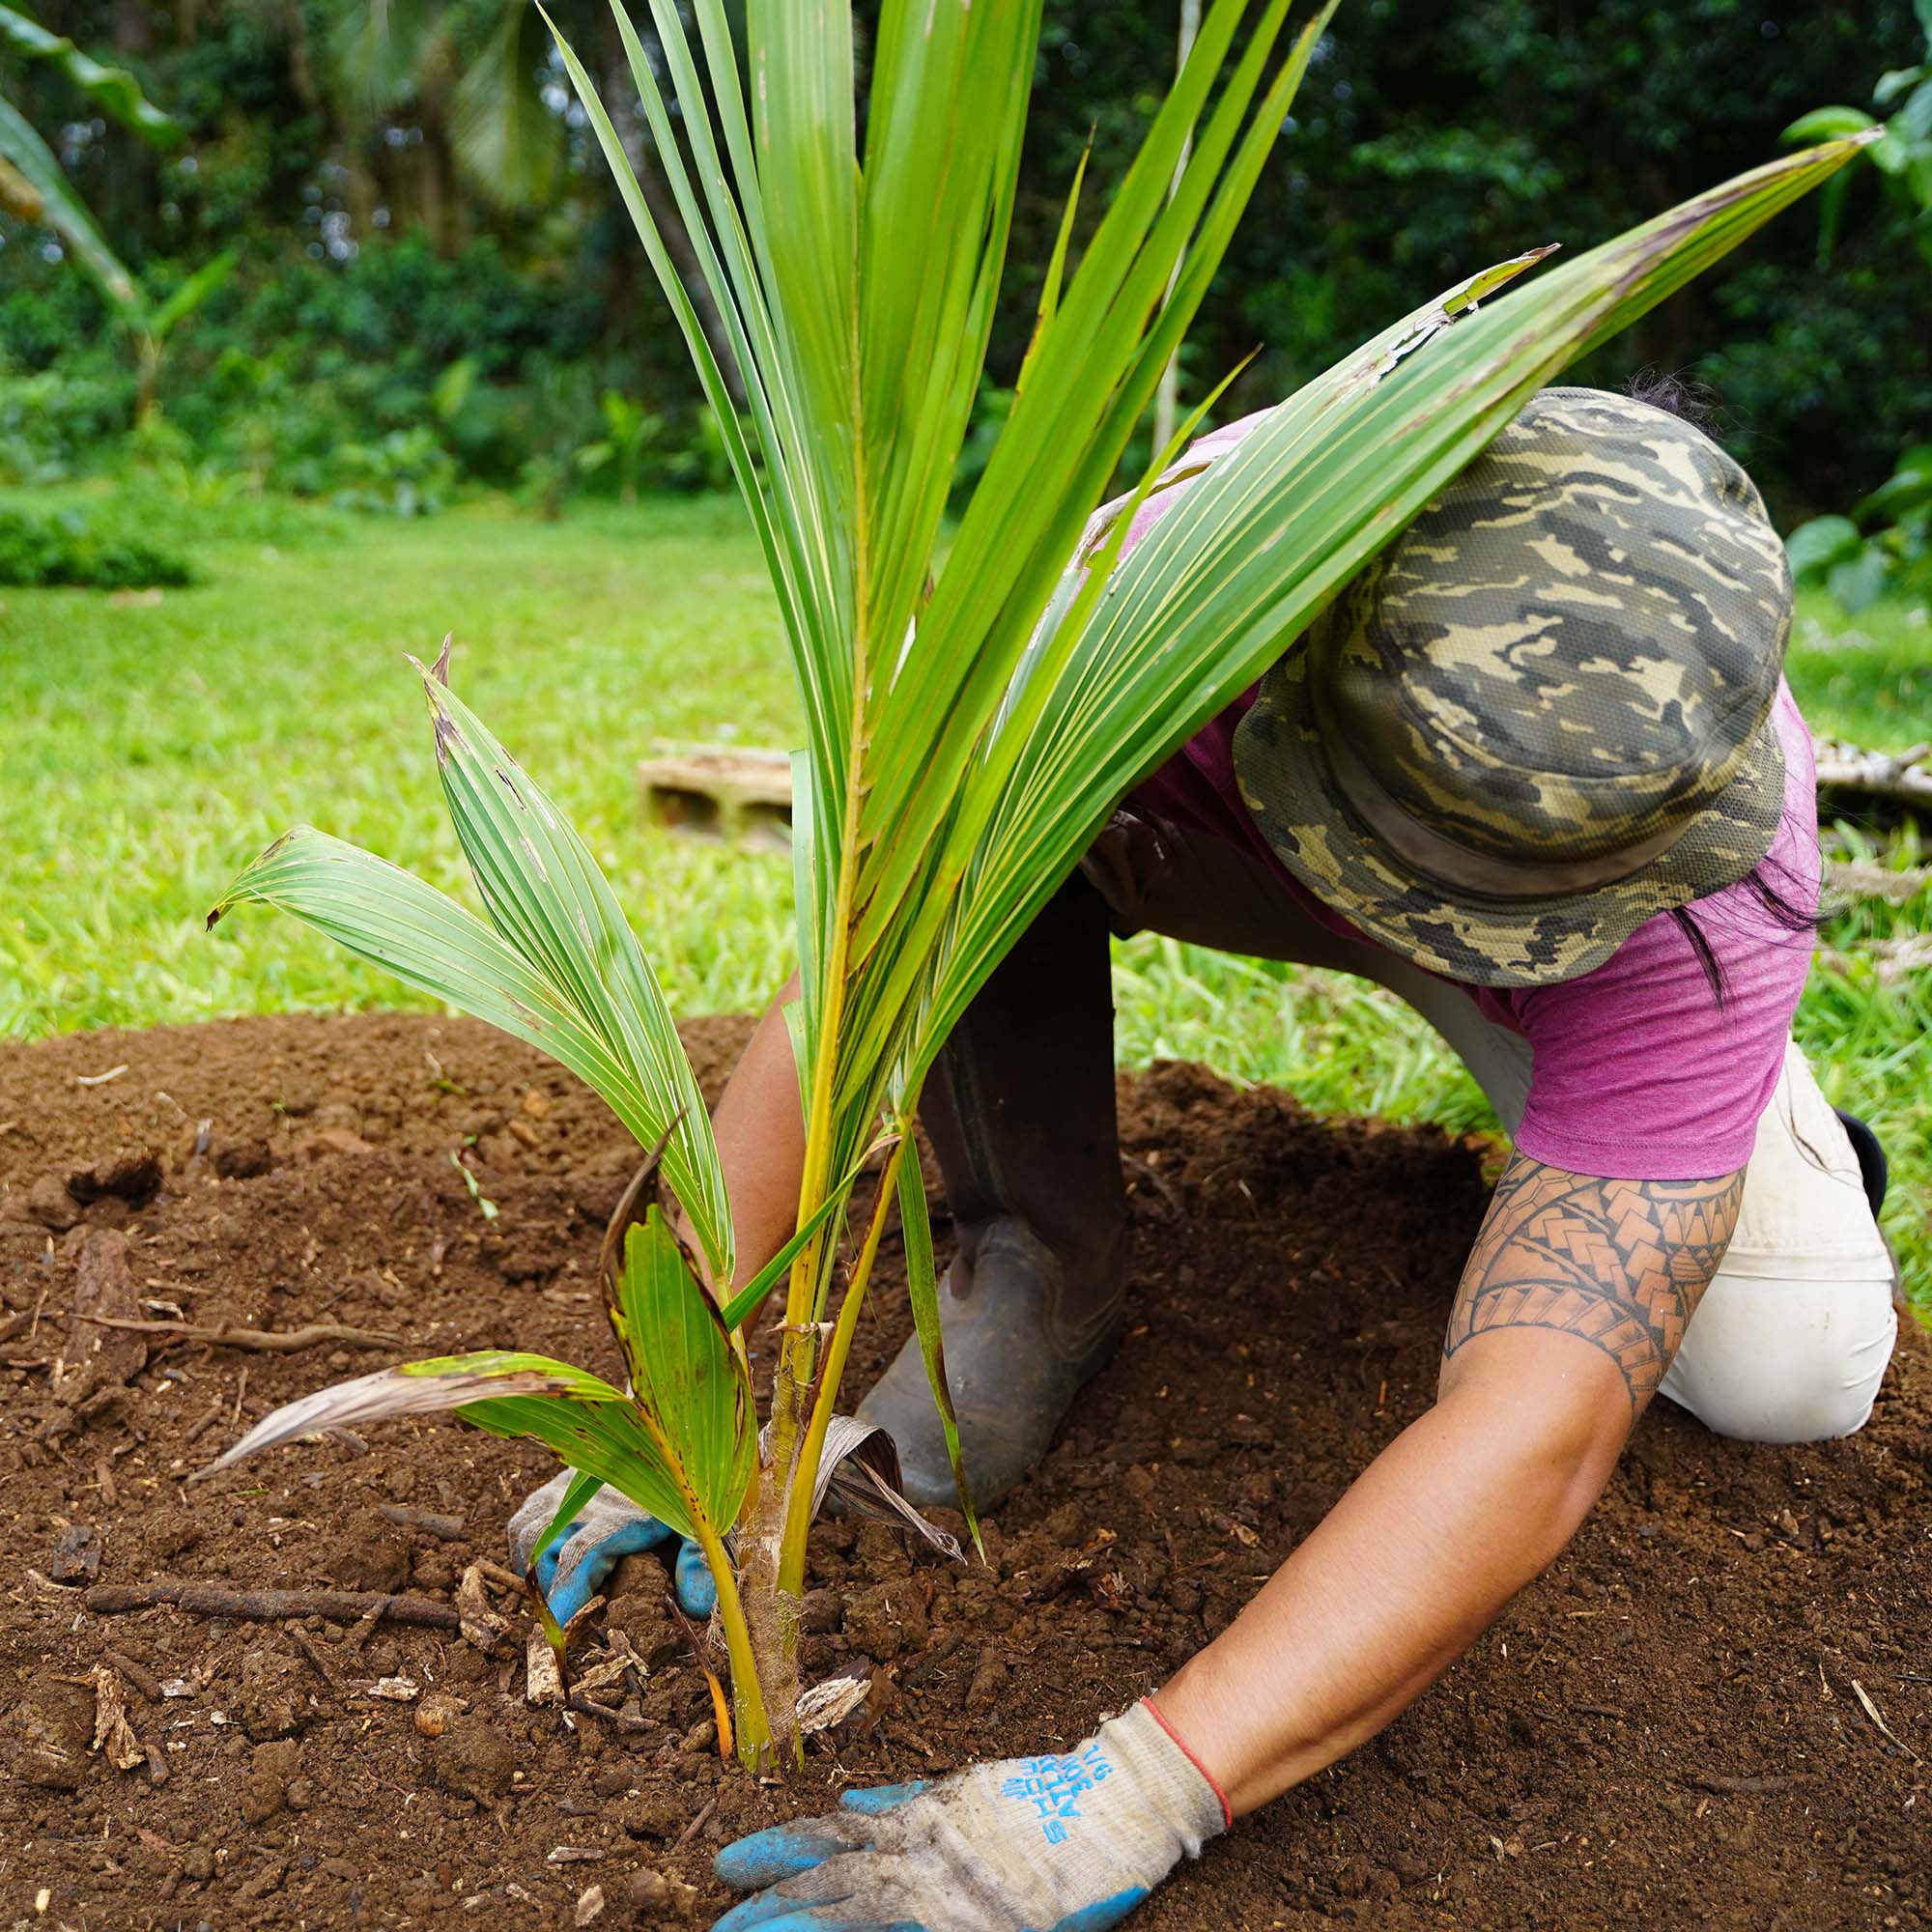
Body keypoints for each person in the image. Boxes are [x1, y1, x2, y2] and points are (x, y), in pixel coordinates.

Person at [513, 386, 1900, 1931]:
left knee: (1795, 1364)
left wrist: (1132, 1794)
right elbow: (848, 994)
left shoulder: (1696, 855)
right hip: (1186, 825)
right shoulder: (1129, 617)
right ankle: (1034, 1260)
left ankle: (1688, 1132)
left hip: (1567, 966)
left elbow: (1539, 1427)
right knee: (987, 853)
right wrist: (677, 1389)